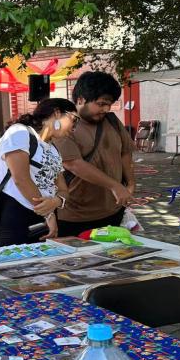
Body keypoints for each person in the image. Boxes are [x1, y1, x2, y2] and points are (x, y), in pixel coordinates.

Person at [51, 72, 135, 238]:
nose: (106, 109)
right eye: (101, 104)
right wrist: (115, 186)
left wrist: (130, 183)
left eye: (109, 104)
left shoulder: (111, 121)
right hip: (75, 215)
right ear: (81, 100)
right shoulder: (62, 125)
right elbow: (73, 163)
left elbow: (125, 152)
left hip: (113, 211)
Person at [0, 98, 77, 246]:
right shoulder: (19, 132)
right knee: (18, 266)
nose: (74, 128)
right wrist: (49, 214)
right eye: (73, 119)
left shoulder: (53, 149)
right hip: (17, 215)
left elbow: (63, 189)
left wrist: (57, 201)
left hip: (44, 218)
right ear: (57, 113)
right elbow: (21, 178)